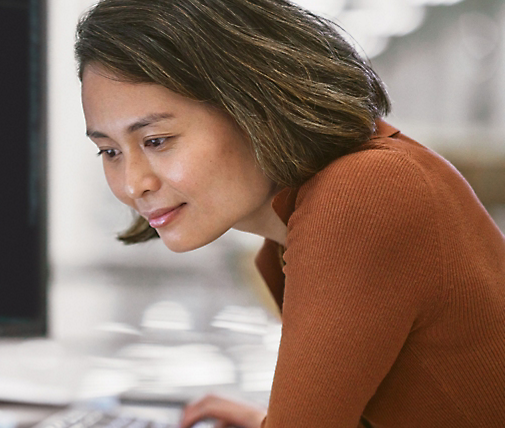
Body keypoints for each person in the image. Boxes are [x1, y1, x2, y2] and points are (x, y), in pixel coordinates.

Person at [74, 0, 505, 427]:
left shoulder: (363, 193)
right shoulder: (289, 233)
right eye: (109, 151)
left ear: (252, 104)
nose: (132, 184)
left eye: (156, 140)